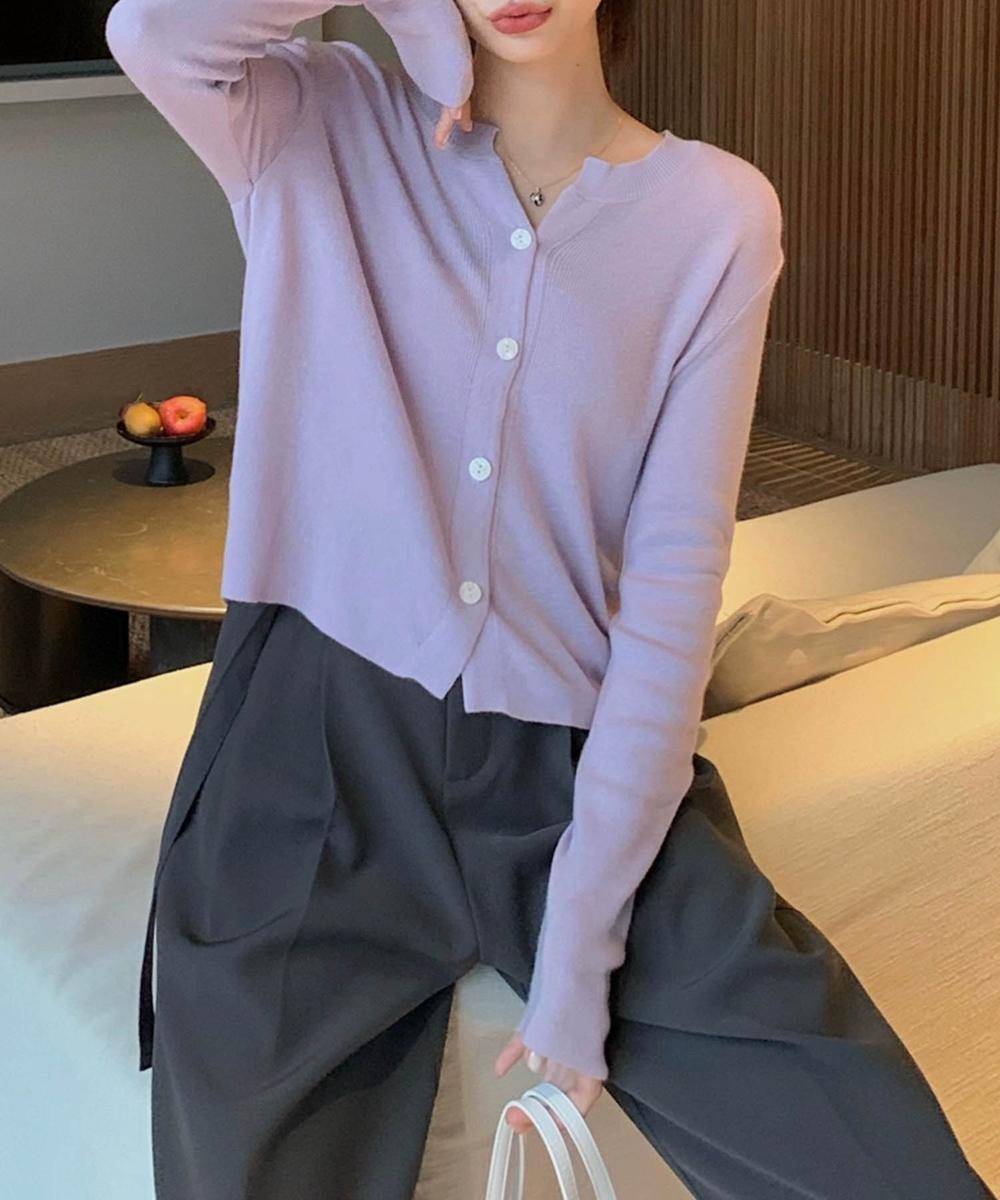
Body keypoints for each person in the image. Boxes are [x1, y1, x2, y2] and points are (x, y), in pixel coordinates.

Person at [105, 0, 996, 1197]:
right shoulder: (317, 123)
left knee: (879, 1162)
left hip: (565, 763)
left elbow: (674, 584)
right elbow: (151, 30)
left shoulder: (716, 215)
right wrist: (419, 30)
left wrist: (586, 940)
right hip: (311, 754)